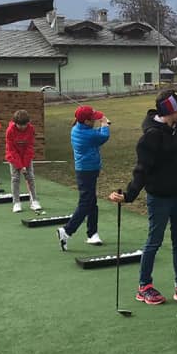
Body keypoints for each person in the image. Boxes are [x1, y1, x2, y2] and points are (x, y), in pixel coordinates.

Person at [108, 90, 177, 306]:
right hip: (159, 198)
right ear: (170, 111)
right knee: (154, 241)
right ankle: (144, 286)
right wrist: (128, 195)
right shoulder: (151, 137)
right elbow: (141, 170)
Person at [57, 105, 110, 251]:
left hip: (85, 170)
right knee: (86, 203)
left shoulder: (77, 128)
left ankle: (92, 234)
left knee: (92, 202)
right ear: (86, 121)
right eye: (92, 119)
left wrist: (101, 124)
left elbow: (95, 135)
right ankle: (67, 231)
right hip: (87, 171)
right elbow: (103, 136)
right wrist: (104, 123)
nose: (94, 120)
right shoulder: (88, 134)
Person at [5, 110, 42, 214]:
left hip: (26, 156)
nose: (22, 127)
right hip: (13, 157)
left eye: (24, 125)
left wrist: (25, 164)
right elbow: (11, 150)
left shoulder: (30, 129)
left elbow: (29, 147)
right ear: (15, 123)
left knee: (30, 177)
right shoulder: (10, 131)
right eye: (20, 125)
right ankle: (16, 202)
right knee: (15, 178)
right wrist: (20, 166)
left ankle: (34, 201)